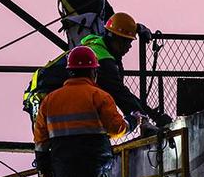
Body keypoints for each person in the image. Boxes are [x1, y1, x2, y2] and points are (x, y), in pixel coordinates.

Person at [33, 46, 128, 177]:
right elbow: (116, 128)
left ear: (69, 71)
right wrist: (132, 123)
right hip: (94, 165)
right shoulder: (99, 96)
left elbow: (40, 139)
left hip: (64, 166)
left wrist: (44, 167)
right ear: (93, 71)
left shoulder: (50, 100)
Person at [24, 11, 168, 131]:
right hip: (41, 95)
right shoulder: (103, 60)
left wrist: (136, 28)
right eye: (128, 42)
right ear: (117, 40)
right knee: (52, 138)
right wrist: (147, 119)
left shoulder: (98, 46)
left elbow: (113, 21)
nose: (129, 47)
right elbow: (121, 94)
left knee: (61, 138)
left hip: (48, 91)